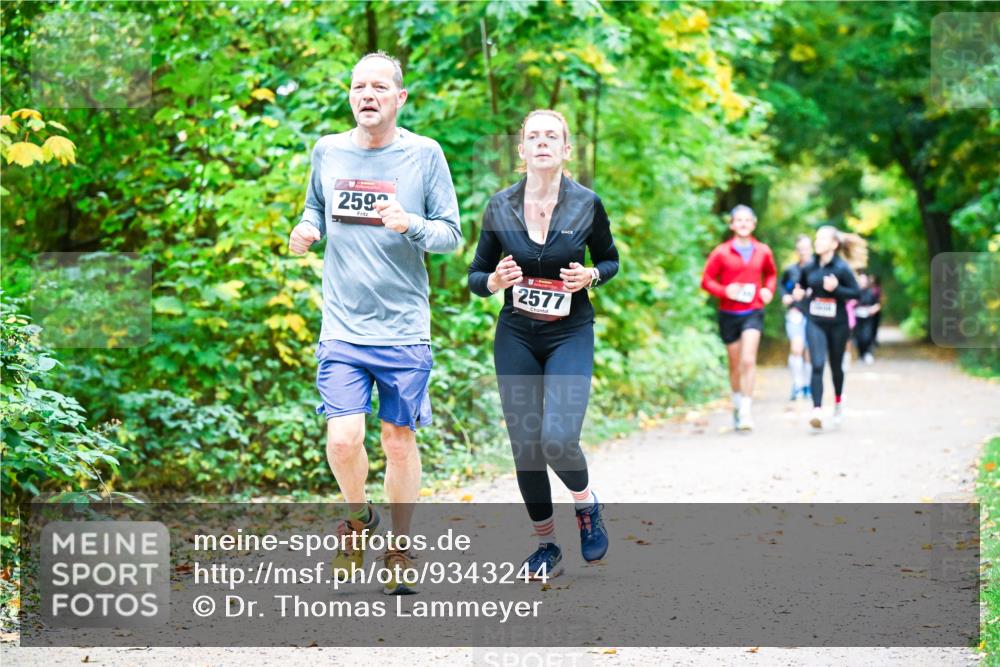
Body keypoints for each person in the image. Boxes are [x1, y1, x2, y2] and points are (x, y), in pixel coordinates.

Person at [288, 52, 462, 595]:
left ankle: (400, 548)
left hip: (404, 326)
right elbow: (314, 208)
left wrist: (411, 224)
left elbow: (452, 235)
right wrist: (305, 228)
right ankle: (359, 518)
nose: (368, 95)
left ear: (400, 98)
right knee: (343, 440)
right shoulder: (328, 150)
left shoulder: (424, 154)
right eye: (359, 86)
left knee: (398, 441)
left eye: (380, 87)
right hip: (343, 326)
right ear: (350, 96)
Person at [468, 109, 619, 579]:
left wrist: (590, 276)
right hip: (516, 334)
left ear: (566, 149)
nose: (542, 142)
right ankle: (546, 545)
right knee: (526, 446)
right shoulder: (500, 206)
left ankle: (585, 503)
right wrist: (494, 281)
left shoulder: (586, 204)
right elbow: (476, 275)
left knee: (557, 439)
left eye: (552, 136)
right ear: (522, 149)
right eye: (533, 136)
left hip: (569, 332)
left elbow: (610, 260)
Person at [700, 205, 777, 431]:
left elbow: (771, 274)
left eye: (747, 220)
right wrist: (725, 291)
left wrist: (768, 290)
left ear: (754, 224)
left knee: (748, 360)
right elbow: (706, 280)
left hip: (753, 311)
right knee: (734, 364)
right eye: (739, 220)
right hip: (729, 314)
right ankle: (736, 403)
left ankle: (746, 411)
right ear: (732, 225)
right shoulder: (721, 252)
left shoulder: (763, 251)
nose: (743, 224)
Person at [792, 226, 865, 430]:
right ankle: (816, 410)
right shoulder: (809, 267)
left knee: (835, 366)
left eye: (823, 239)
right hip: (815, 321)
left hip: (838, 324)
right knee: (816, 363)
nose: (817, 242)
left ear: (834, 244)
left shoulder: (842, 268)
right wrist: (799, 296)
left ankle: (838, 403)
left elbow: (856, 294)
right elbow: (801, 288)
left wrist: (837, 289)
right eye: (817, 238)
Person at [779, 234, 814, 401]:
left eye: (806, 248)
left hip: (814, 315)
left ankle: (808, 385)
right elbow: (782, 285)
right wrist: (785, 296)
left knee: (810, 352)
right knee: (796, 348)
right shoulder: (791, 271)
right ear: (796, 250)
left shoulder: (817, 269)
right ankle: (797, 385)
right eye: (800, 249)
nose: (803, 252)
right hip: (796, 314)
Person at [853, 271, 882, 364]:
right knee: (858, 338)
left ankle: (868, 353)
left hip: (868, 319)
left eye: (864, 280)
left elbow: (878, 304)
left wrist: (873, 309)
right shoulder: (854, 292)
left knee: (867, 336)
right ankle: (861, 355)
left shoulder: (871, 293)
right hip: (857, 319)